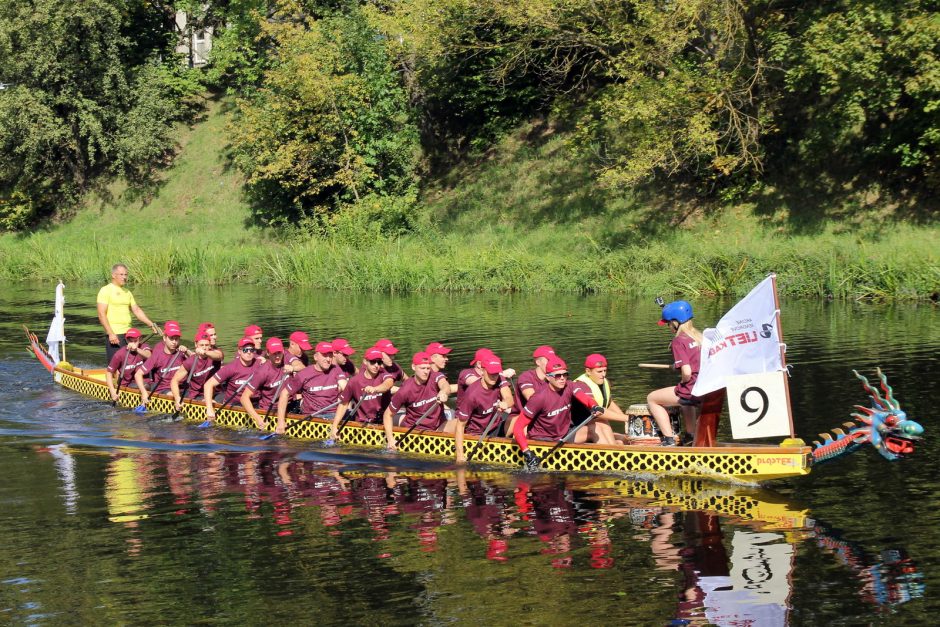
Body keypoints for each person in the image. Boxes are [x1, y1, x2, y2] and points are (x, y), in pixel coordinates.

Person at [513, 357, 606, 470]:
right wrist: (527, 452)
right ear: (548, 377)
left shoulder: (569, 386)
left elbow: (585, 398)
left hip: (563, 435)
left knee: (601, 425)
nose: (562, 379)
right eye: (557, 376)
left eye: (565, 374)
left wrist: (594, 406)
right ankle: (607, 463)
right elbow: (518, 427)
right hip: (543, 441)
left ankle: (610, 457)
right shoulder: (539, 398)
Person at [646, 300, 703, 446]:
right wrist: (676, 366)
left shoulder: (678, 341)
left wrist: (684, 382)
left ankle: (668, 440)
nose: (668, 326)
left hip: (691, 389)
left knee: (652, 398)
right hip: (703, 388)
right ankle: (690, 436)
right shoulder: (700, 337)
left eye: (668, 323)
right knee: (684, 402)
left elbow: (687, 371)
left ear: (676, 322)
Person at [383, 352, 455, 450]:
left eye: (428, 368)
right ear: (414, 367)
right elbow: (388, 414)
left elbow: (444, 385)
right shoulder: (405, 390)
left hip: (439, 426)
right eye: (422, 368)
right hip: (416, 430)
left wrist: (443, 392)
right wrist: (390, 439)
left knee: (461, 422)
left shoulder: (434, 376)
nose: (426, 372)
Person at [274, 341, 349, 435]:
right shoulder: (304, 374)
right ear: (315, 357)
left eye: (330, 356)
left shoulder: (336, 369)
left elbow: (345, 386)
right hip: (315, 416)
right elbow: (284, 394)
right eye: (324, 355)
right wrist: (281, 422)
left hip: (335, 413)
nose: (328, 359)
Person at [454, 353, 515, 464]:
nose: (494, 377)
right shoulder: (472, 394)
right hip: (476, 435)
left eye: (496, 373)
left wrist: (505, 403)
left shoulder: (500, 379)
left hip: (494, 427)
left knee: (517, 419)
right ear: (482, 371)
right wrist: (460, 456)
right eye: (491, 373)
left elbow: (509, 398)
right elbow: (460, 425)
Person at [96, 263, 160, 363]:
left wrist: (151, 324)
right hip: (115, 334)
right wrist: (110, 333)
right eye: (121, 274)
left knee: (131, 363)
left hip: (129, 334)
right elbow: (101, 313)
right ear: (113, 275)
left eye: (126, 274)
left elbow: (137, 310)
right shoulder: (105, 290)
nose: (124, 277)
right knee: (116, 364)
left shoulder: (127, 292)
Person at [328, 346, 395, 440]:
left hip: (383, 422)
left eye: (379, 362)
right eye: (373, 362)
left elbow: (388, 383)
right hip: (362, 424)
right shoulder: (354, 381)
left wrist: (375, 389)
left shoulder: (384, 375)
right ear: (365, 362)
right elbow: (343, 404)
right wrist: (334, 427)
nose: (376, 365)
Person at [573, 354, 631, 444]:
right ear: (588, 371)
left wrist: (624, 419)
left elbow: (608, 401)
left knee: (624, 439)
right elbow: (598, 412)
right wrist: (627, 418)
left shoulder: (604, 382)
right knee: (602, 422)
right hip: (579, 427)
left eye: (605, 371)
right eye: (599, 371)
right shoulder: (581, 385)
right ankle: (613, 452)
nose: (603, 375)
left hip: (597, 423)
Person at [203, 337, 260, 424]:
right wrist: (210, 409)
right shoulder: (231, 368)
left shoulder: (260, 364)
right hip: (235, 406)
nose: (249, 352)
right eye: (245, 350)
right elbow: (208, 385)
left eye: (251, 350)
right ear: (239, 351)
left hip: (255, 403)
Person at [134, 321, 189, 408]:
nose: (174, 342)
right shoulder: (157, 355)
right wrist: (144, 392)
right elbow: (138, 374)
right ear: (164, 338)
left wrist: (187, 352)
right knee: (173, 395)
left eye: (177, 339)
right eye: (171, 339)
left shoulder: (182, 353)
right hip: (164, 389)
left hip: (182, 387)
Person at [504, 345, 555, 438]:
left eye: (553, 360)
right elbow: (532, 399)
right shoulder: (526, 377)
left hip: (543, 419)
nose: (552, 363)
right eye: (549, 360)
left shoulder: (556, 377)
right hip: (519, 420)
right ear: (538, 362)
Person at [242, 337, 291, 430]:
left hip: (289, 404)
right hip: (271, 410)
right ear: (268, 353)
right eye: (274, 353)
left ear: (283, 352)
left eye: (279, 353)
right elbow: (244, 398)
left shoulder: (287, 362)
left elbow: (301, 366)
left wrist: (294, 368)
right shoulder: (262, 372)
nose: (277, 356)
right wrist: (258, 419)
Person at [170, 332, 217, 412]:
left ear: (210, 346)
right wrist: (177, 398)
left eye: (206, 345)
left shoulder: (214, 355)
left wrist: (206, 353)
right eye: (201, 345)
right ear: (196, 345)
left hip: (214, 393)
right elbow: (174, 381)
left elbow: (220, 356)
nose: (204, 348)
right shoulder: (190, 361)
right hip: (198, 396)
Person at [105, 328, 153, 403]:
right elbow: (109, 372)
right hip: (128, 384)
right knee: (146, 386)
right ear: (126, 340)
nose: (132, 343)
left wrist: (137, 349)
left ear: (140, 339)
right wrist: (112, 391)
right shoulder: (120, 354)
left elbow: (149, 355)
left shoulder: (144, 346)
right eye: (130, 341)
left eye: (135, 341)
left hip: (146, 382)